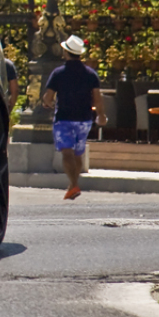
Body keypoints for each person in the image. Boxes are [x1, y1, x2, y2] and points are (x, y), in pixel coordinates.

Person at [40, 34, 107, 200]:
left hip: (64, 118)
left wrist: (48, 103)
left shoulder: (58, 73)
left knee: (67, 153)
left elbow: (48, 97)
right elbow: (97, 98)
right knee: (77, 154)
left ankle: (73, 184)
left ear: (66, 53)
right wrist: (101, 115)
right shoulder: (91, 74)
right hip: (84, 119)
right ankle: (73, 185)